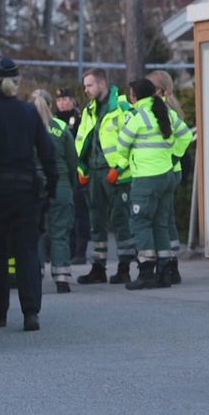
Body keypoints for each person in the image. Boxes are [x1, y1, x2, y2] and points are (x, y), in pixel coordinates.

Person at [0, 58, 58, 331]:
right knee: (27, 253)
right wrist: (50, 189)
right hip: (26, 193)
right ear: (17, 83)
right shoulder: (29, 113)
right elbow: (48, 155)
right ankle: (31, 312)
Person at [116, 79, 190, 290]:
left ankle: (146, 272)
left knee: (140, 222)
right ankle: (164, 272)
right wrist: (173, 155)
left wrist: (131, 157)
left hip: (146, 179)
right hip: (167, 175)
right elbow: (185, 136)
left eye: (131, 94)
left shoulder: (138, 117)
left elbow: (122, 145)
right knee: (160, 222)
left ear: (135, 96)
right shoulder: (167, 113)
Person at [75, 68, 135, 284]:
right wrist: (82, 169)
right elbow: (81, 140)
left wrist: (118, 168)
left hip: (116, 174)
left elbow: (132, 142)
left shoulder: (122, 107)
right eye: (85, 86)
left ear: (102, 84)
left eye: (89, 85)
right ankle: (98, 268)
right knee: (96, 220)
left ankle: (124, 267)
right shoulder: (89, 110)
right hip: (94, 172)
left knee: (120, 220)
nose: (86, 90)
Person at [146, 70, 195, 284]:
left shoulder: (161, 110)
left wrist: (172, 157)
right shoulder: (173, 108)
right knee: (168, 218)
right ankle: (172, 262)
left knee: (161, 220)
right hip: (173, 170)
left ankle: (167, 263)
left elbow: (183, 138)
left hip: (165, 170)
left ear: (158, 90)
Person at [32, 89, 78, 294]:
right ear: (51, 106)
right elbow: (72, 160)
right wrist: (72, 186)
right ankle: (62, 278)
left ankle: (34, 274)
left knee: (36, 234)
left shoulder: (25, 128)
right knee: (60, 233)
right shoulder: (61, 127)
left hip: (33, 188)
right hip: (61, 187)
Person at [56, 87, 91, 265]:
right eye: (59, 100)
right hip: (60, 173)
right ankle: (65, 249)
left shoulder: (78, 119)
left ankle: (80, 250)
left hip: (77, 171)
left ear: (72, 100)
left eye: (65, 99)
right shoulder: (53, 120)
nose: (62, 103)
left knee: (79, 213)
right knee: (62, 213)